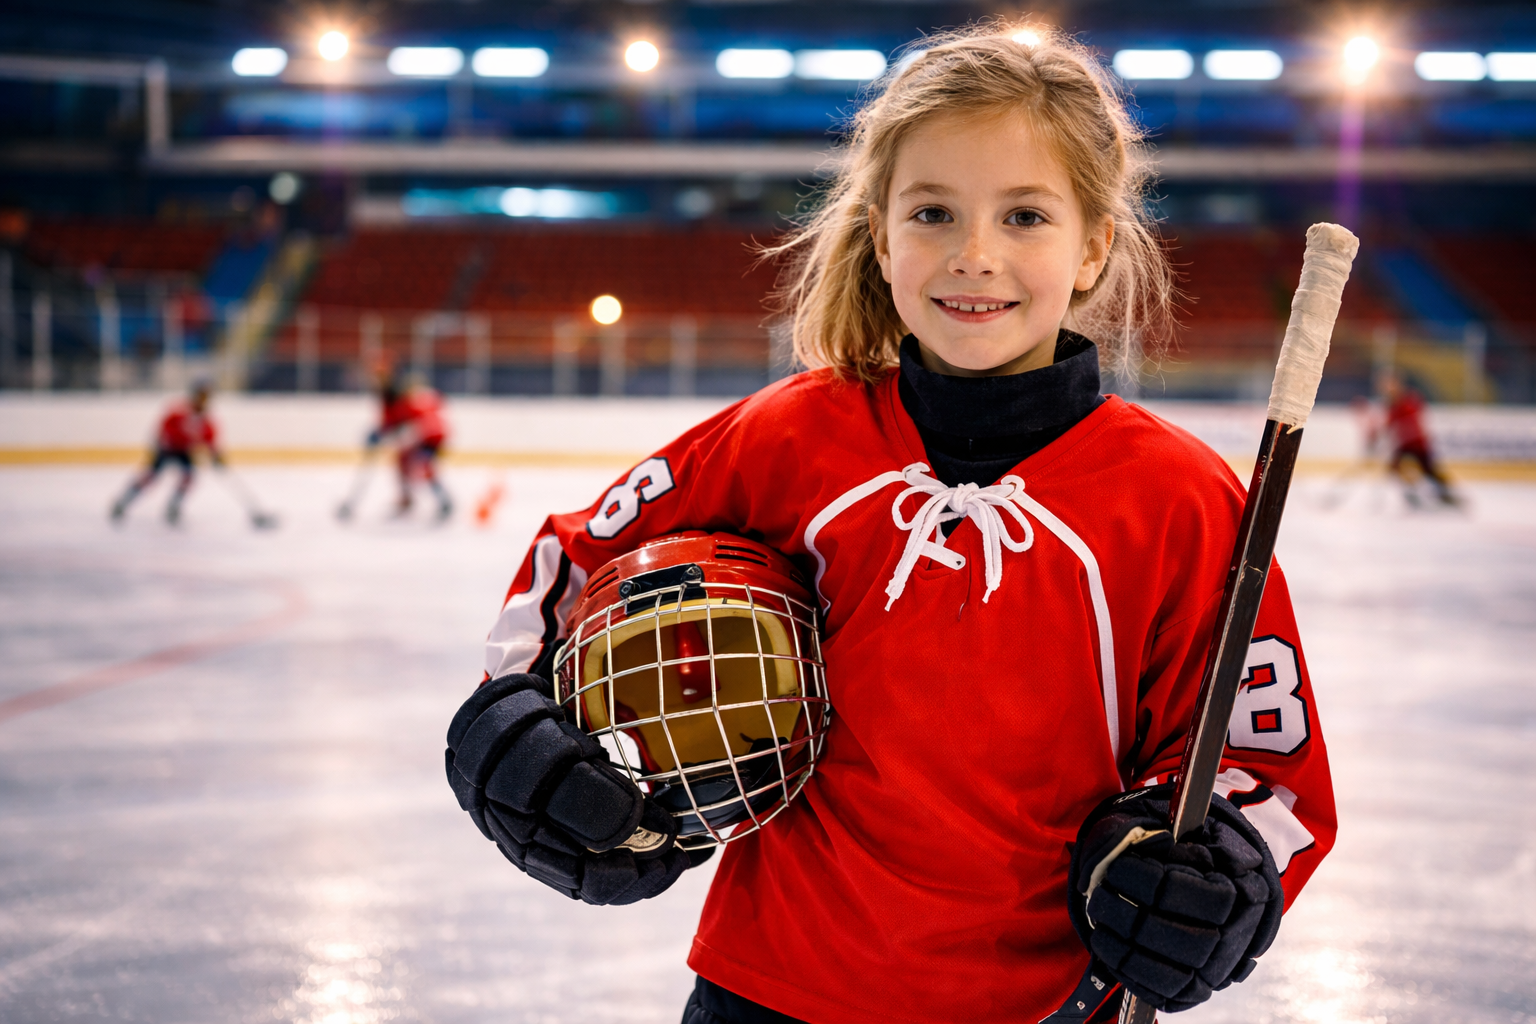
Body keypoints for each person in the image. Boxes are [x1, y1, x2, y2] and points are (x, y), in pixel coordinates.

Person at [444, 25, 1336, 1024]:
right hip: (767, 988)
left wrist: (1221, 871)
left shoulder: (1180, 498)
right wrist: (515, 720)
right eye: (932, 212)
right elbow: (574, 562)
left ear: (1093, 247)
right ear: (880, 236)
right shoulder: (787, 438)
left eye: (1026, 216)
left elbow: (1263, 761)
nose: (975, 255)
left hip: (1042, 1005)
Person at [110, 380, 222, 525]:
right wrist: (179, 439)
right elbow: (165, 428)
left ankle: (173, 506)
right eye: (202, 395)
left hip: (184, 451)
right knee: (149, 477)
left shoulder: (205, 417)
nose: (204, 399)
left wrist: (215, 454)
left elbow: (209, 437)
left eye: (206, 396)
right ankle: (123, 502)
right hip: (166, 448)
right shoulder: (180, 410)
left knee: (188, 478)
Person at [369, 374, 452, 520]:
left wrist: (381, 432)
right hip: (431, 438)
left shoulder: (408, 403)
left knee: (420, 466)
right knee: (407, 462)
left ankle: (441, 500)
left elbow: (400, 421)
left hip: (429, 438)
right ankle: (424, 499)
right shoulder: (419, 399)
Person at [1376, 371, 1457, 506]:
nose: (1387, 388)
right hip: (1404, 445)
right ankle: (1411, 492)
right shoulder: (1390, 404)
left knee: (1429, 470)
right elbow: (1389, 425)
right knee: (1395, 468)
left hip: (1418, 443)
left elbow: (1413, 416)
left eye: (1390, 384)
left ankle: (1446, 495)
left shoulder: (1409, 399)